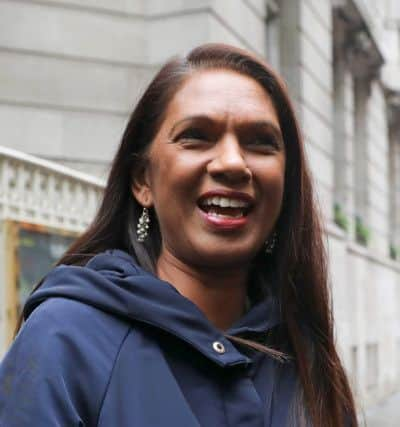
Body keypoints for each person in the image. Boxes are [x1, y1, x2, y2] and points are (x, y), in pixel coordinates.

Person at [0, 44, 357, 426]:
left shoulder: (307, 357)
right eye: (196, 136)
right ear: (142, 180)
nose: (233, 163)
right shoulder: (66, 340)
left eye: (260, 142)